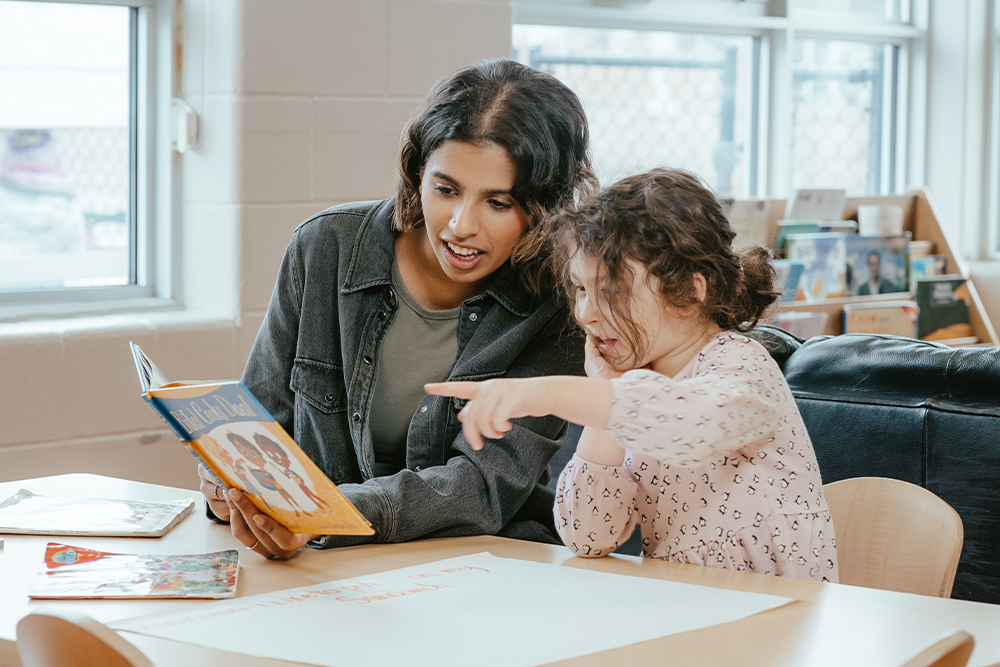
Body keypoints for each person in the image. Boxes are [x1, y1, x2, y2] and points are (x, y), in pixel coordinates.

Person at [199, 58, 595, 559]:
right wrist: (231, 489)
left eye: (498, 203)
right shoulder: (326, 248)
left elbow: (483, 487)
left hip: (480, 567)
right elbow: (260, 424)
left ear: (544, 207)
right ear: (417, 173)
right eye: (445, 189)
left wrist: (327, 514)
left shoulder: (559, 304)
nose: (460, 225)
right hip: (322, 557)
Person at [427, 168, 839, 581]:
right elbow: (588, 535)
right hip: (693, 613)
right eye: (581, 289)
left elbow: (686, 422)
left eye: (611, 290)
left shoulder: (742, 366)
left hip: (779, 618)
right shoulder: (631, 393)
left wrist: (552, 393)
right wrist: (606, 393)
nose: (585, 313)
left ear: (691, 292)